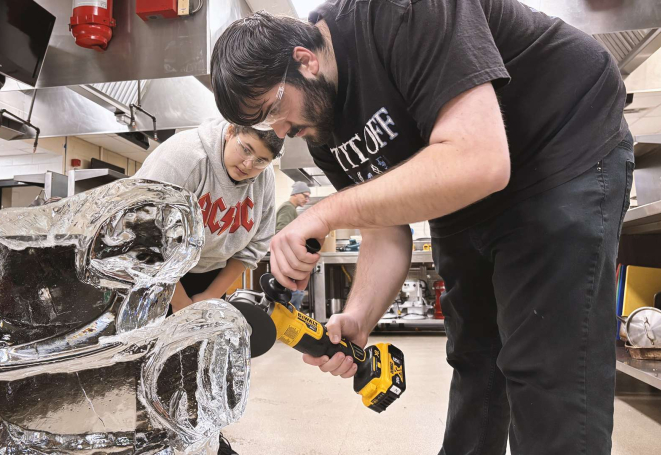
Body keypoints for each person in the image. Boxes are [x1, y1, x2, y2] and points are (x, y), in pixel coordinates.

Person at [210, 2, 633, 454]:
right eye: (262, 124)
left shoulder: (399, 11)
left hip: (560, 148)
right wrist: (359, 316)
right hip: (467, 194)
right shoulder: (321, 128)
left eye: (274, 107)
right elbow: (384, 227)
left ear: (304, 60)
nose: (281, 130)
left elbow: (479, 159)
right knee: (476, 359)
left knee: (547, 371)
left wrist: (327, 211)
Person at [134, 119, 283, 315]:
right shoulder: (183, 156)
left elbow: (256, 244)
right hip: (152, 274)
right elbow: (143, 233)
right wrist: (179, 301)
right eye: (246, 149)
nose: (248, 164)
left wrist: (211, 296)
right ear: (231, 131)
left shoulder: (264, 175)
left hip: (211, 278)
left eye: (261, 161)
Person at [276, 181, 311, 309]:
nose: (307, 200)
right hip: (288, 256)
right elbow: (280, 231)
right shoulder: (287, 208)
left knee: (295, 292)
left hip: (290, 255)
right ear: (295, 194)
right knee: (293, 294)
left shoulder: (292, 209)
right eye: (305, 196)